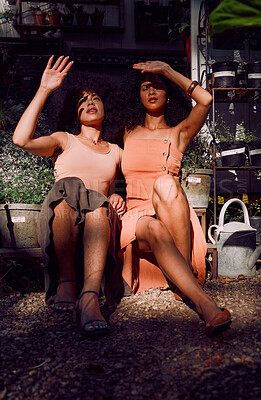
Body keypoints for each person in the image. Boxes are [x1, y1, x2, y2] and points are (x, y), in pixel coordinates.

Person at [12, 56, 126, 337]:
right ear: (74, 115)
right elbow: (21, 140)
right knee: (69, 190)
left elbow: (134, 184)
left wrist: (119, 196)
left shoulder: (116, 150)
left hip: (98, 222)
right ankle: (66, 280)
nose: (89, 102)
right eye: (81, 100)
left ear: (106, 108)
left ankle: (88, 297)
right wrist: (44, 89)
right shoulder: (65, 139)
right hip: (62, 216)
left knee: (99, 205)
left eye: (95, 97)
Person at [119, 60, 232, 338]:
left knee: (166, 182)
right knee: (152, 224)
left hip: (172, 213)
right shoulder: (125, 131)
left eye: (158, 86)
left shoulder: (178, 133)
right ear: (138, 96)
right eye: (146, 87)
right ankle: (204, 303)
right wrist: (110, 193)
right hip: (137, 219)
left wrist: (167, 71)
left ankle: (182, 281)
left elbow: (204, 100)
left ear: (169, 94)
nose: (152, 91)